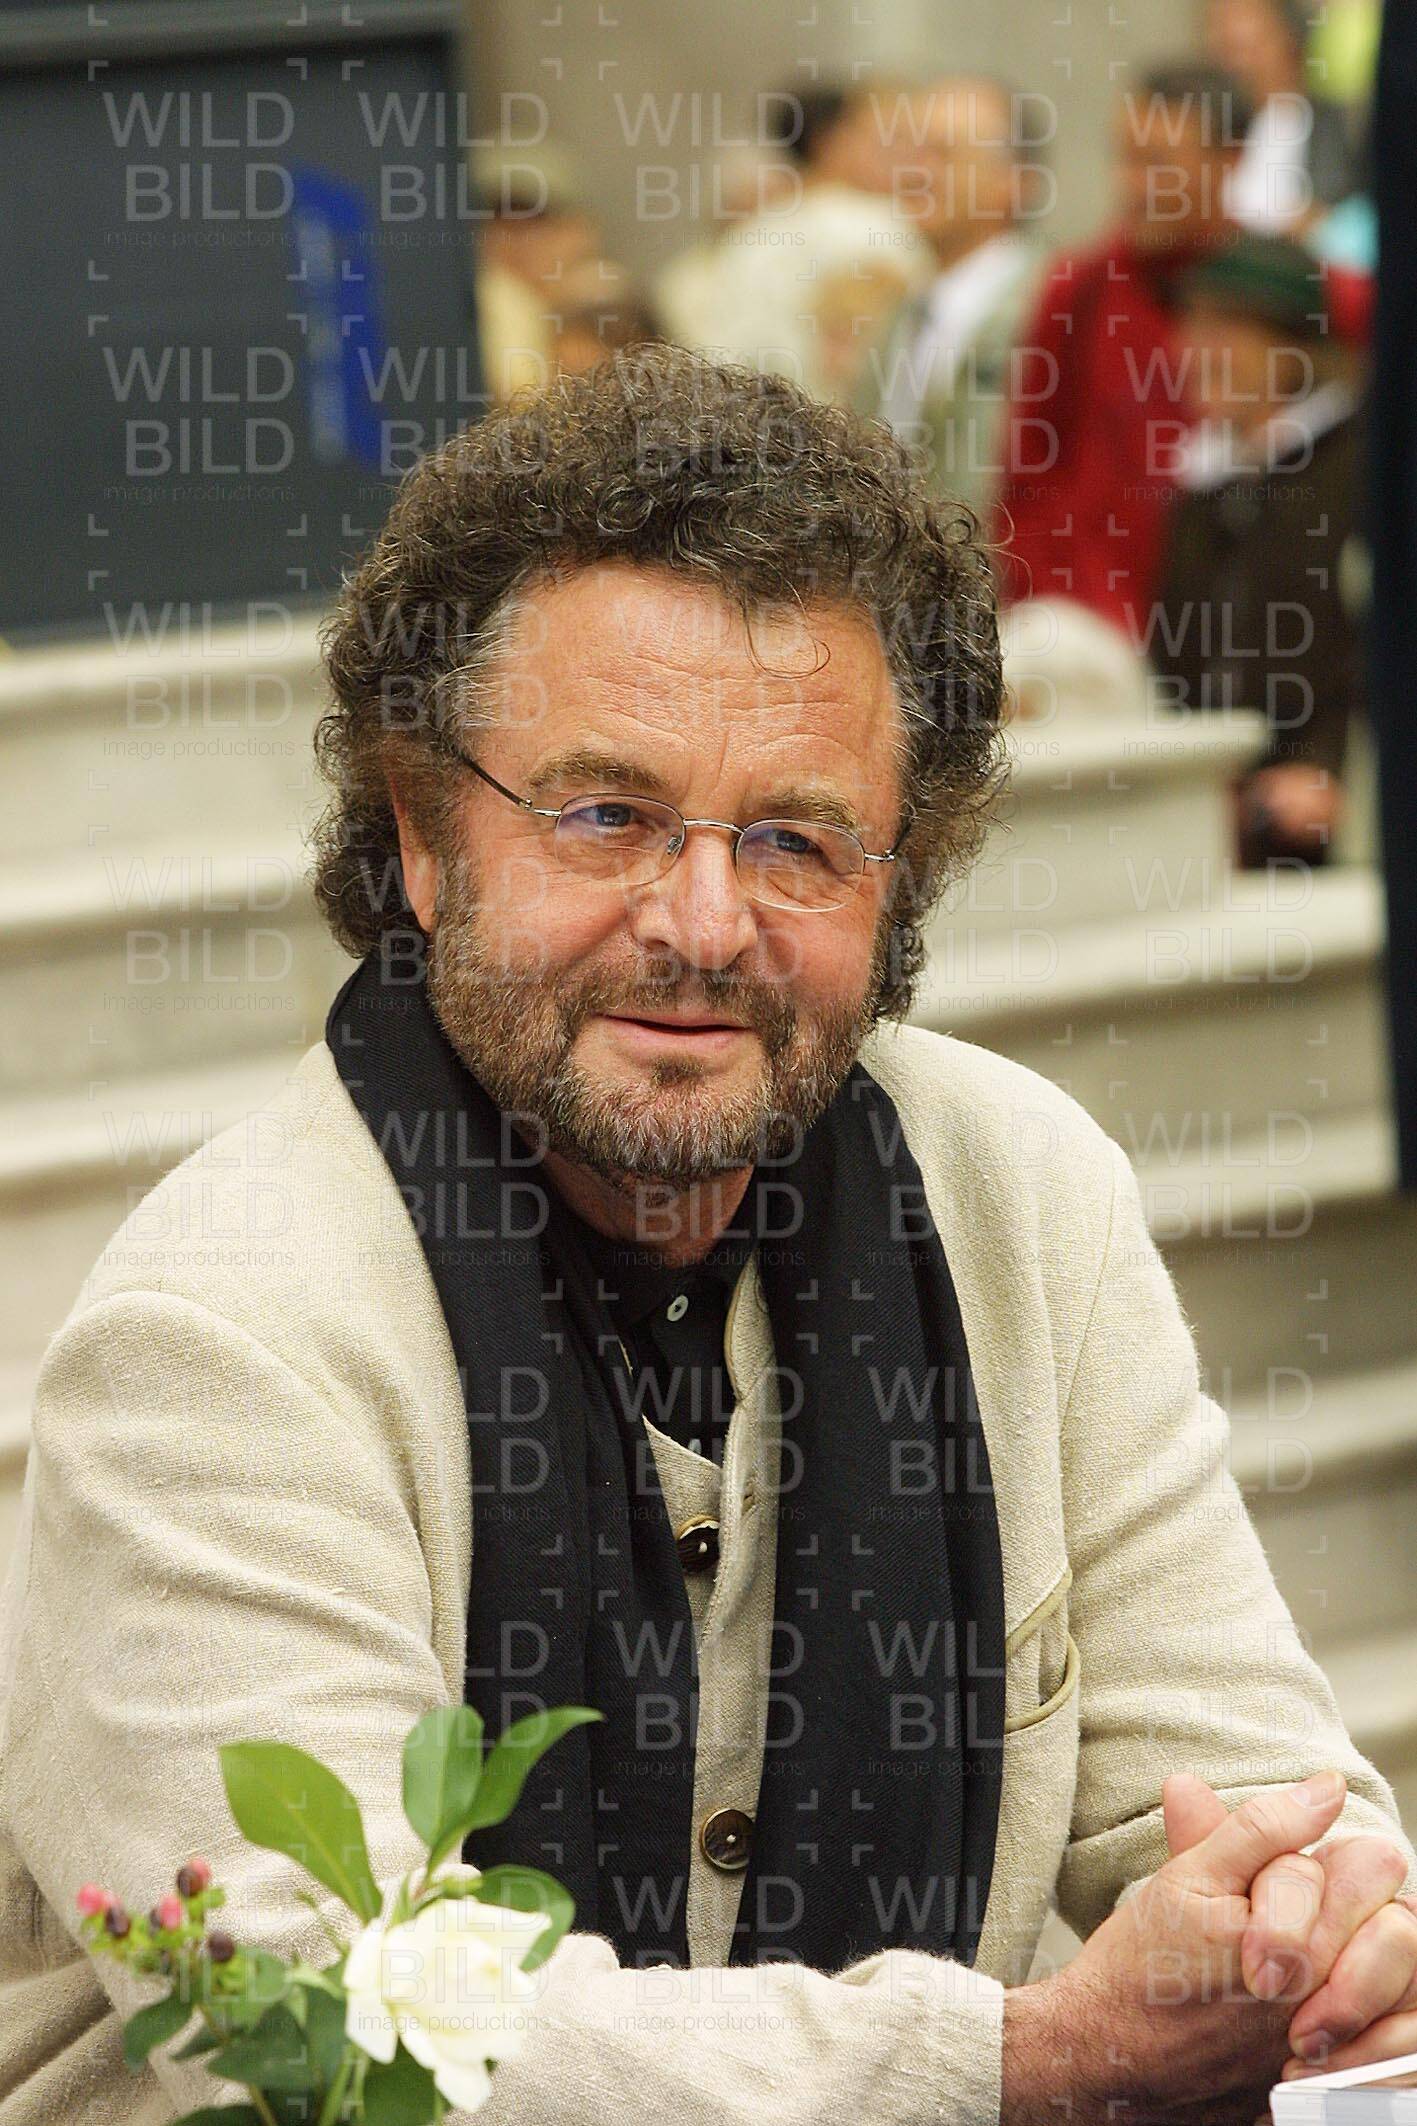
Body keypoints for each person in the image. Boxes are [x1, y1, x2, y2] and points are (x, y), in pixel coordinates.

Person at [3, 346, 1416, 2125]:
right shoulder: (218, 1338)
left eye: (798, 840)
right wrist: (1015, 2060)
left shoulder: (1020, 1196)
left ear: (902, 870)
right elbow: (345, 2035)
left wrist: (1314, 1926)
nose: (703, 921)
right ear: (424, 835)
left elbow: (1263, 1797)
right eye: (604, 814)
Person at [992, 63, 1251, 633]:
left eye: (1158, 164)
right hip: (1085, 629)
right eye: (1126, 159)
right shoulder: (1079, 290)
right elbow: (1027, 475)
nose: (1134, 185)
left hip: (1225, 632)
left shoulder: (1277, 297)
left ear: (1229, 161)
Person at [1147, 231, 1367, 867]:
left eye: (1226, 330)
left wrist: (1329, 769)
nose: (1198, 352)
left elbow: (1367, 645)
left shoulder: (1355, 475)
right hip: (1221, 821)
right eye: (1194, 327)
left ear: (1294, 350)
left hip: (1332, 827)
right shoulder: (1204, 490)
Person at [654, 80, 934, 404]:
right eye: (886, 140)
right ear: (829, 141)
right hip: (849, 424)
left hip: (755, 421)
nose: (908, 159)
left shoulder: (749, 237)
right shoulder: (878, 226)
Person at [851, 75, 1052, 519]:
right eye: (909, 154)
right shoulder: (901, 312)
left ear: (1013, 182)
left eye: (942, 155)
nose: (916, 173)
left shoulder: (1050, 309)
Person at [1202, 0, 1365, 233]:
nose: (1235, 65)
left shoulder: (1337, 127)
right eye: (1224, 47)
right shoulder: (1215, 127)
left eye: (1246, 48)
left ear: (1290, 42)